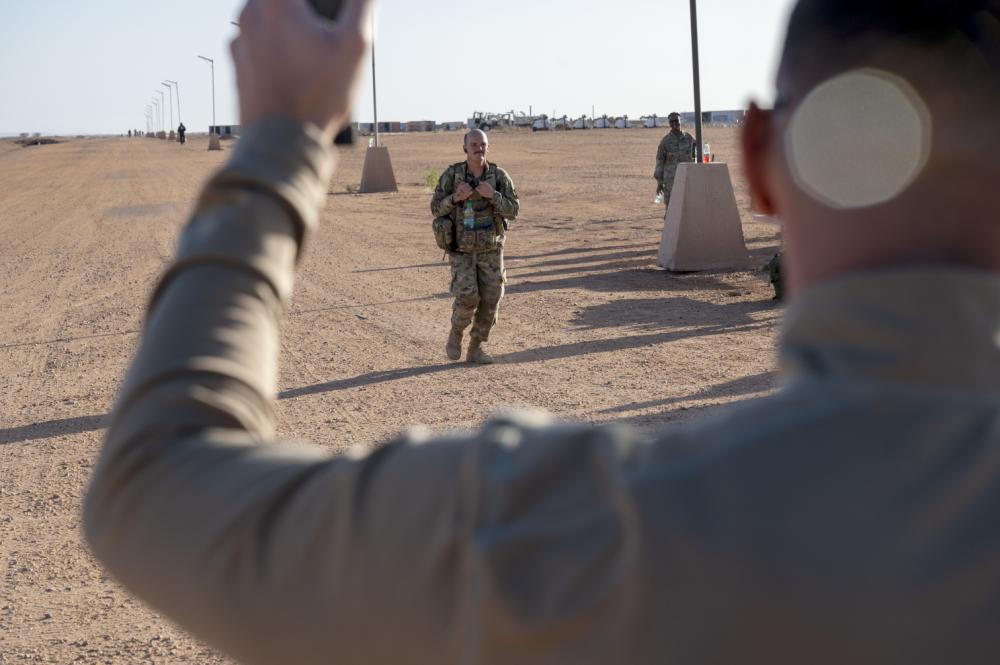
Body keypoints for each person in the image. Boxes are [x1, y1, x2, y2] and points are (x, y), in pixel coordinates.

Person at [84, 0, 1000, 663]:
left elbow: (155, 489)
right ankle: (462, 340)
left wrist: (281, 140)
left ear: (758, 164)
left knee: (487, 301)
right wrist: (460, 209)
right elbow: (444, 212)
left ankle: (473, 340)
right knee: (467, 302)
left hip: (489, 260)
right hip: (463, 253)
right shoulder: (454, 175)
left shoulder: (597, 529)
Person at [430, 129, 519, 364]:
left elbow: (514, 211)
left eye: (483, 144)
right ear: (465, 148)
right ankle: (456, 334)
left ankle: (476, 347)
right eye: (474, 144)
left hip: (491, 249)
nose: (479, 148)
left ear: (488, 147)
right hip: (462, 249)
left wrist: (494, 196)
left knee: (491, 298)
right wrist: (455, 199)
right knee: (468, 297)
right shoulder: (452, 175)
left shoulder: (499, 176)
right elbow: (435, 208)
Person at [653, 111, 696, 206]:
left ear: (680, 121)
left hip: (687, 179)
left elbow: (696, 155)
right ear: (669, 124)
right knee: (671, 209)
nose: (674, 123)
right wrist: (659, 182)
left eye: (676, 120)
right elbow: (660, 161)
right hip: (670, 181)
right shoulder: (665, 141)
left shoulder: (689, 138)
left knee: (688, 206)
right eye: (671, 121)